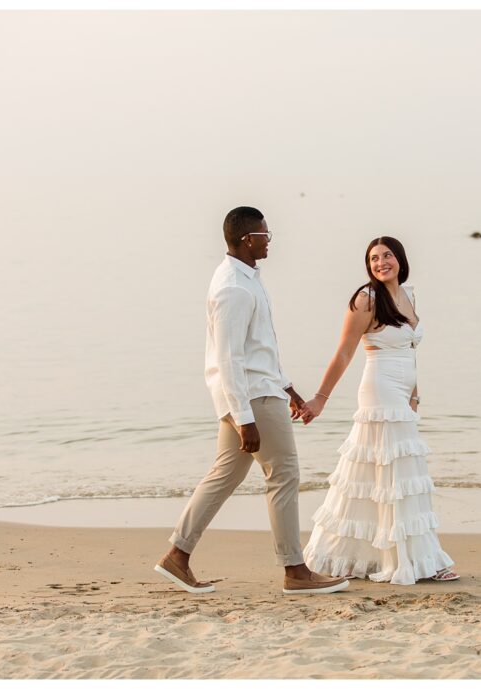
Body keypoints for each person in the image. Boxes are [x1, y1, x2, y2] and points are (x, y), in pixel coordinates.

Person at [154, 206, 349, 595]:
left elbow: (258, 349)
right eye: (265, 234)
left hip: (259, 391)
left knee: (224, 475)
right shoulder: (233, 287)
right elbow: (229, 359)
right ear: (247, 240)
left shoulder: (247, 279)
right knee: (284, 474)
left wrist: (289, 389)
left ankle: (177, 556)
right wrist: (244, 418)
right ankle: (295, 570)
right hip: (252, 398)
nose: (269, 240)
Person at [300, 237, 458, 585]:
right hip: (380, 390)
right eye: (373, 258)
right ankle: (408, 562)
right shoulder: (366, 299)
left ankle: (414, 558)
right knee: (393, 477)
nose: (381, 262)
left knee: (394, 477)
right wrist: (320, 398)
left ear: (400, 259)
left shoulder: (409, 294)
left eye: (387, 256)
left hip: (403, 396)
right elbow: (344, 352)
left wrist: (416, 396)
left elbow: (412, 352)